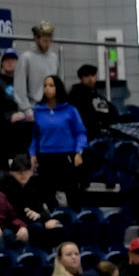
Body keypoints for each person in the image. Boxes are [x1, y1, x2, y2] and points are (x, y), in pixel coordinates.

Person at [28, 74, 86, 205]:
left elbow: (80, 132)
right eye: (45, 86)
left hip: (66, 155)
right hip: (45, 156)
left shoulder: (69, 109)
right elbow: (35, 136)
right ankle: (53, 216)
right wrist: (32, 154)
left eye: (51, 85)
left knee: (72, 192)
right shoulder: (38, 110)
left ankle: (74, 215)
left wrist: (79, 151)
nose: (47, 88)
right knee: (47, 193)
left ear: (58, 88)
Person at [1, 153, 62, 233]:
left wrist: (42, 217)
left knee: (56, 225)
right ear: (11, 172)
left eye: (26, 170)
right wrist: (40, 219)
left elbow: (40, 206)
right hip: (16, 223)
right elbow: (14, 212)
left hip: (34, 219)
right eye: (19, 171)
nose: (23, 174)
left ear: (31, 172)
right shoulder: (5, 187)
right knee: (38, 228)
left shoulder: (32, 185)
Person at [12, 18, 58, 111]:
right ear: (36, 39)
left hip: (52, 106)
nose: (48, 44)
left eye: (50, 41)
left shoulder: (54, 58)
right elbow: (19, 87)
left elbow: (57, 83)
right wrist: (26, 109)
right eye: (45, 41)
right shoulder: (26, 58)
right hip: (34, 107)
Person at [67, 63, 117, 141]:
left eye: (92, 75)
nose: (90, 79)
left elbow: (112, 110)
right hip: (91, 132)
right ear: (81, 78)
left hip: (107, 129)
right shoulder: (76, 95)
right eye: (86, 76)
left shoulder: (97, 95)